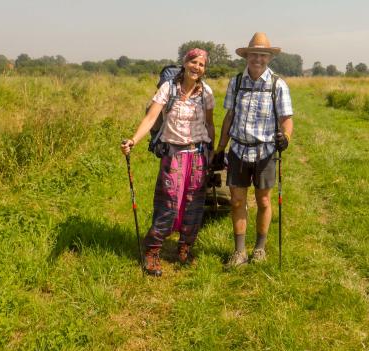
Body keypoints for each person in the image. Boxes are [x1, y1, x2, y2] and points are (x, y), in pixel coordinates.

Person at [120, 48, 215, 277]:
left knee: (193, 203)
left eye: (201, 65)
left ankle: (185, 247)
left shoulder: (206, 92)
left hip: (198, 154)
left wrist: (211, 150)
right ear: (185, 62)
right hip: (173, 154)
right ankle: (152, 250)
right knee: (168, 203)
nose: (197, 67)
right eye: (193, 62)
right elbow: (151, 117)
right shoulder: (168, 88)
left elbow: (210, 125)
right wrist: (133, 140)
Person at [213, 32, 293, 268]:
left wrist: (285, 137)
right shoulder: (236, 82)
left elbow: (287, 119)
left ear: (269, 58)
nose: (258, 59)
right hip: (238, 150)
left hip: (265, 152)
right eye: (253, 54)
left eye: (263, 55)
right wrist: (220, 149)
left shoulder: (278, 85)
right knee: (237, 201)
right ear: (246, 57)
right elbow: (229, 117)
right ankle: (239, 252)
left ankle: (259, 248)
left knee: (264, 201)